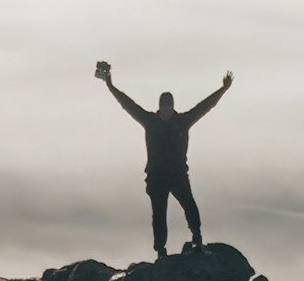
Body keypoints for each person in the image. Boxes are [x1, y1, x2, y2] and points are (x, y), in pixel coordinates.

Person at [97, 61, 230, 256]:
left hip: (177, 174)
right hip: (157, 176)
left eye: (169, 105)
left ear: (172, 106)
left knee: (190, 206)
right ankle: (160, 250)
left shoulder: (182, 121)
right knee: (159, 214)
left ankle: (197, 240)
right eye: (164, 105)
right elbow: (127, 104)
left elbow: (206, 106)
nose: (166, 109)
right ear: (160, 106)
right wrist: (110, 85)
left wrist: (223, 89)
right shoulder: (150, 121)